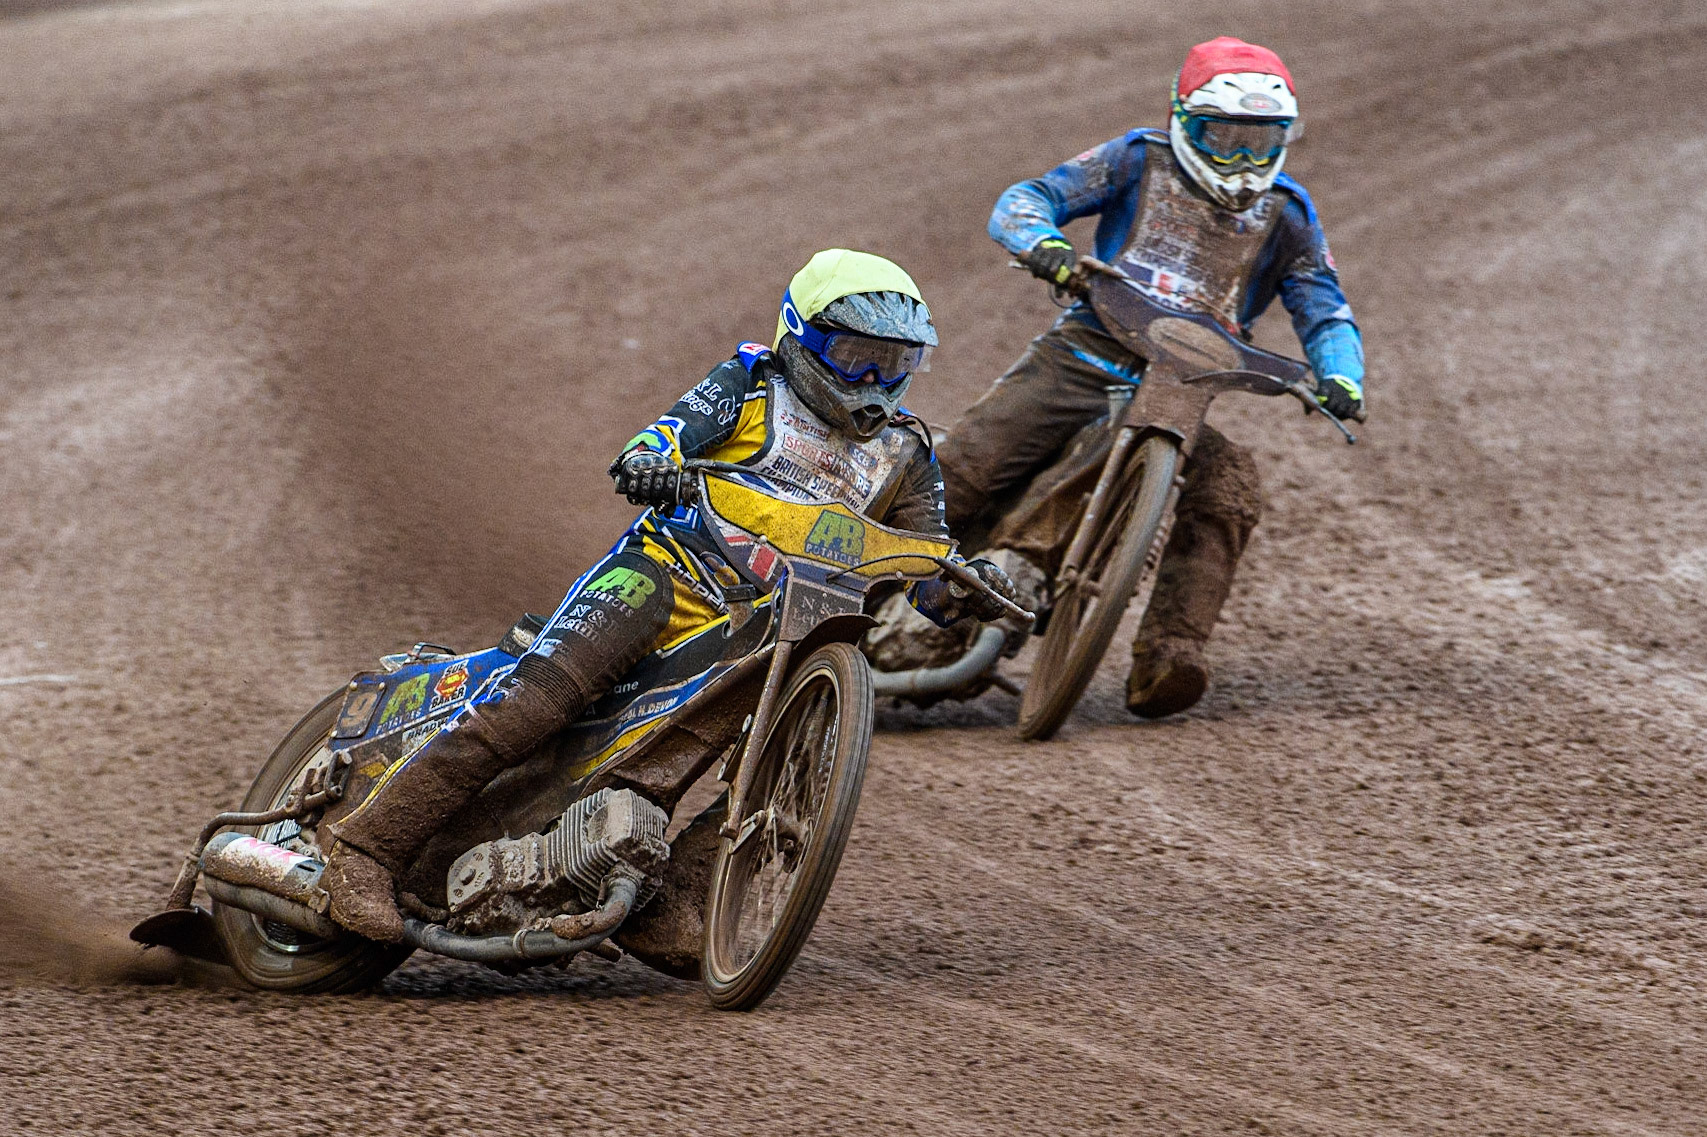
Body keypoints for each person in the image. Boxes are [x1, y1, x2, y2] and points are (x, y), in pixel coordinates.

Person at [319, 249, 1017, 942]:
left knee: (777, 751)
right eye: (855, 355)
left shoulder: (906, 453)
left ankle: (673, 899)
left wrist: (973, 591)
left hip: (762, 626)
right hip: (660, 575)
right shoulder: (749, 384)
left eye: (893, 364)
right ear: (799, 337)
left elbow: (930, 565)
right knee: (533, 702)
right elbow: (660, 439)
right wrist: (652, 464)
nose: (871, 380)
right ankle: (364, 846)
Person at [938, 36, 1366, 719]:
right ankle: (840, 595)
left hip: (1182, 390)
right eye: (1222, 138)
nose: (1241, 159)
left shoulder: (1286, 213)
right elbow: (1029, 197)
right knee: (960, 470)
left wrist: (1342, 376)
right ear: (1183, 120)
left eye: (1260, 142)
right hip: (1084, 351)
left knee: (1229, 485)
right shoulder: (1137, 159)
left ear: (1285, 138)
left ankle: (1169, 654)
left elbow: (1324, 306)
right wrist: (1042, 244)